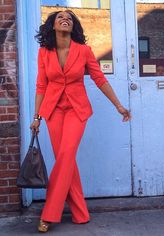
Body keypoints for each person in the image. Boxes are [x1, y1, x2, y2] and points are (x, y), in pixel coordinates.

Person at [30, 10, 131, 233]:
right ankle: (80, 213)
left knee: (66, 155)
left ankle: (49, 213)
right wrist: (36, 117)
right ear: (53, 25)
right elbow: (41, 86)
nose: (65, 18)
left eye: (69, 18)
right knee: (66, 162)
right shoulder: (44, 52)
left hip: (77, 110)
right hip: (53, 110)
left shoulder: (83, 51)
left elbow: (99, 78)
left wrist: (118, 105)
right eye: (60, 17)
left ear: (73, 25)